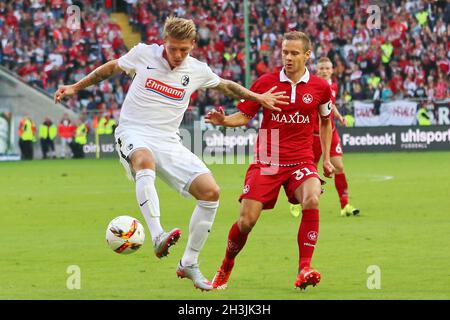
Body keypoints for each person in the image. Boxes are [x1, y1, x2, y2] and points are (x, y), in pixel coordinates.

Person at [54, 16, 287, 291]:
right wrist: (75, 87)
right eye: (173, 48)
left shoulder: (197, 70)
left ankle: (189, 263)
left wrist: (257, 98)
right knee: (145, 161)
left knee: (211, 192)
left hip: (169, 140)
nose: (178, 55)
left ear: (192, 46)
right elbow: (111, 69)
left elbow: (225, 85)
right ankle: (157, 235)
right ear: (164, 41)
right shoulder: (143, 54)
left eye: (184, 50)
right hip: (133, 131)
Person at [206, 31, 334, 290]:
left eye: (294, 53)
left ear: (307, 55)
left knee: (312, 197)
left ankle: (304, 268)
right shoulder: (266, 83)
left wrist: (327, 159)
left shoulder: (321, 87)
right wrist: (224, 121)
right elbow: (244, 115)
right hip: (268, 161)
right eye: (285, 52)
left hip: (301, 161)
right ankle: (226, 265)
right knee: (246, 221)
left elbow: (326, 121)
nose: (288, 57)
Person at [290, 57, 360, 218]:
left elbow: (330, 104)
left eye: (328, 68)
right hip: (312, 135)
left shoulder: (333, 86)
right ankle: (296, 202)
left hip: (330, 132)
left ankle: (345, 205)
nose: (325, 71)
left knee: (338, 166)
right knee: (308, 171)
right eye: (322, 68)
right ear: (317, 70)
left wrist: (339, 116)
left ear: (332, 70)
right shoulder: (309, 86)